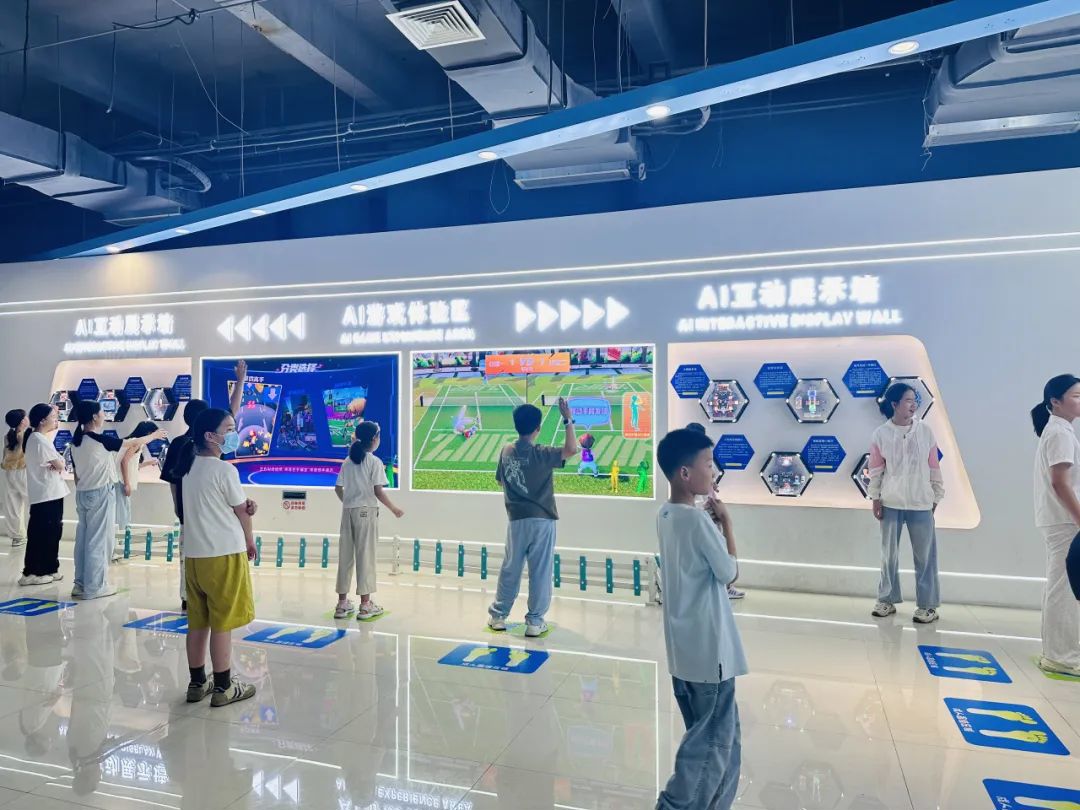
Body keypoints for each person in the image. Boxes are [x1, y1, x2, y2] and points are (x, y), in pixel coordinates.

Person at [655, 428, 746, 810]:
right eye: (708, 464)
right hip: (710, 656)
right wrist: (726, 524)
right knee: (708, 752)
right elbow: (729, 572)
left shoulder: (665, 514)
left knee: (723, 744)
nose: (713, 471)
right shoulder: (697, 522)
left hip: (685, 653)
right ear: (685, 473)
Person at [175, 407, 257, 708]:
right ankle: (224, 686)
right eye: (229, 429)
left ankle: (197, 682)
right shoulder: (225, 470)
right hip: (223, 554)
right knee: (223, 622)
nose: (234, 434)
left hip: (195, 557)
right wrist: (250, 540)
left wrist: (244, 505)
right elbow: (241, 512)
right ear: (211, 436)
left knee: (198, 622)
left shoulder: (188, 468)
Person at [160, 360, 249, 611]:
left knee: (188, 556)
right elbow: (232, 410)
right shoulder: (210, 448)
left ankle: (188, 597)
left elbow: (173, 481)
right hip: (213, 517)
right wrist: (240, 381)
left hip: (188, 513)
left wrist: (178, 508)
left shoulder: (180, 444)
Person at [487, 398, 576, 637]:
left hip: (516, 519)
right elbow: (571, 450)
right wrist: (568, 419)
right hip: (542, 520)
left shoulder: (507, 451)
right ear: (538, 428)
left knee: (510, 568)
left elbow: (500, 481)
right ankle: (535, 621)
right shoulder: (541, 453)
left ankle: (498, 616)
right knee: (540, 571)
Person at [69, 401, 165, 600]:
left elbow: (77, 475)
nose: (104, 415)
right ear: (94, 416)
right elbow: (131, 442)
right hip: (101, 493)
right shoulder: (99, 440)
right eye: (102, 412)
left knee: (83, 540)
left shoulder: (75, 442)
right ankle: (95, 587)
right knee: (99, 541)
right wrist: (154, 436)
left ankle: (80, 584)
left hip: (83, 493)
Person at [868, 383, 945, 624]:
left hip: (921, 502)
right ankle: (886, 599)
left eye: (915, 400)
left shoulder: (925, 432)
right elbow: (876, 470)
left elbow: (934, 466)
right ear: (894, 404)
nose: (913, 405)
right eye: (908, 400)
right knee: (888, 555)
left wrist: (936, 496)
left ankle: (927, 605)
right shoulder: (880, 434)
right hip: (891, 502)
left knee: (925, 557)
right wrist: (876, 497)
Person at [1031, 374, 1080, 676]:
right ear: (1055, 402)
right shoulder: (1060, 433)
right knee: (1065, 588)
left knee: (1060, 585)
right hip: (1064, 521)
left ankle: (1059, 652)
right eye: (1076, 396)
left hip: (1060, 519)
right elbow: (1060, 483)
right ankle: (1061, 657)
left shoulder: (1059, 430)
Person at [333, 421, 404, 620]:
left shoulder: (348, 461)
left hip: (348, 512)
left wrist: (349, 502)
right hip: (366, 512)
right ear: (374, 439)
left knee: (345, 557)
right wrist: (394, 508)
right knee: (366, 557)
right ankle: (365, 605)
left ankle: (342, 604)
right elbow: (378, 491)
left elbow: (338, 489)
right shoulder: (374, 462)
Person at [686, 423, 745, 601]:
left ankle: (725, 586)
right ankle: (723, 585)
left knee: (719, 546)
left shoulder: (703, 456)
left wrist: (711, 483)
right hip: (702, 510)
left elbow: (709, 477)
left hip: (710, 507)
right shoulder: (688, 459)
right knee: (712, 549)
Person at [21, 404, 69, 585]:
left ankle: (49, 568)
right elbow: (60, 464)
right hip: (46, 495)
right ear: (42, 420)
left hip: (51, 493)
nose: (56, 420)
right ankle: (34, 572)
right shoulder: (38, 440)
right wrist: (58, 463)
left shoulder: (40, 439)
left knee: (52, 533)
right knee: (43, 534)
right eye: (53, 417)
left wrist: (58, 463)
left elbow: (59, 462)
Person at [113, 421, 162, 562]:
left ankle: (122, 547)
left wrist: (148, 463)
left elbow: (132, 464)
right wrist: (127, 483)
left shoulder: (134, 443)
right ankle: (118, 549)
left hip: (121, 482)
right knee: (121, 517)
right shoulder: (136, 443)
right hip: (121, 483)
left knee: (124, 515)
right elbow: (124, 462)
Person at [2, 409, 29, 547]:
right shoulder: (26, 435)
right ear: (23, 421)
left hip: (9, 472)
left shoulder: (8, 436)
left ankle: (18, 537)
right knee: (34, 503)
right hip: (23, 472)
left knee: (13, 505)